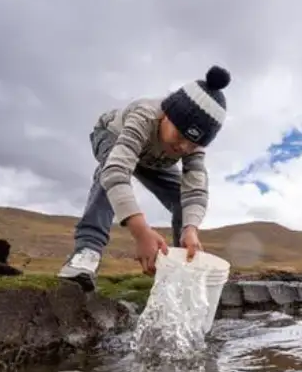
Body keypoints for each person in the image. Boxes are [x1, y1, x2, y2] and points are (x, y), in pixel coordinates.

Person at [57, 65, 231, 292]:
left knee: (183, 200)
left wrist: (191, 228)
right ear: (167, 115)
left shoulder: (191, 148)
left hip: (152, 161)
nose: (182, 147)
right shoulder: (144, 115)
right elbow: (117, 172)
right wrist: (141, 233)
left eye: (193, 143)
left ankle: (180, 267)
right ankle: (86, 253)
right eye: (180, 135)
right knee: (109, 170)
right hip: (113, 136)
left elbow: (195, 191)